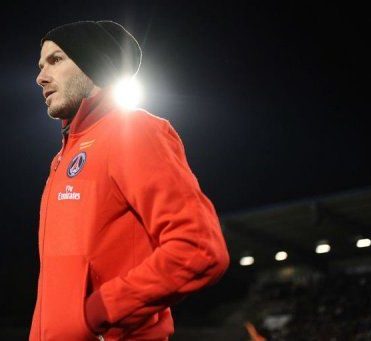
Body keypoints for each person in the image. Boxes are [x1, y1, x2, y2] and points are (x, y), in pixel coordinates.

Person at [30, 20, 229, 341]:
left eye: (56, 60)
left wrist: (99, 313)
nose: (40, 77)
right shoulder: (62, 159)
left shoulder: (133, 131)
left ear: (92, 63)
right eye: (40, 65)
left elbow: (198, 250)